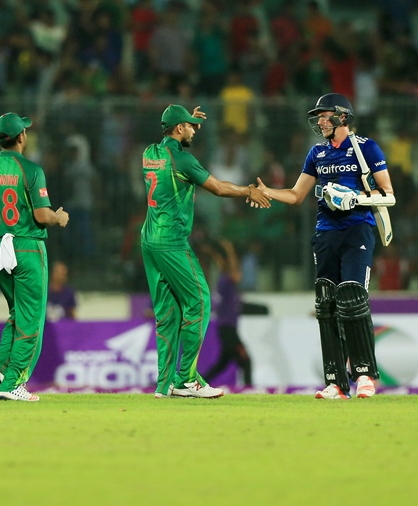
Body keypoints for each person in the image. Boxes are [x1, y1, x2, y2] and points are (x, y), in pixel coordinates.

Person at [256, 93, 395, 400]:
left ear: (343, 117)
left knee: (353, 297)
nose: (319, 121)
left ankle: (365, 376)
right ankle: (335, 381)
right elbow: (295, 195)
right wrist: (268, 192)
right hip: (326, 232)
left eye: (325, 115)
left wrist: (355, 199)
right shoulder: (317, 153)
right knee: (326, 302)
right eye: (318, 116)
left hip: (358, 229)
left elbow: (389, 195)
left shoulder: (366, 148)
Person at [142, 104, 270, 399]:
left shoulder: (150, 153)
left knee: (167, 313)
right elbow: (219, 188)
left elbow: (173, 140)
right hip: (171, 239)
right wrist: (248, 191)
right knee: (199, 300)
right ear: (178, 129)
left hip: (149, 239)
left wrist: (189, 122)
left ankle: (164, 386)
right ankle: (186, 379)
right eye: (188, 126)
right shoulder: (182, 160)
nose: (194, 130)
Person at [0, 112, 69, 402]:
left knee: (17, 313)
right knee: (32, 319)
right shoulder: (31, 170)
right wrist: (58, 218)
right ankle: (14, 383)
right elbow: (41, 214)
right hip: (27, 247)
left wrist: (0, 223)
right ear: (21, 137)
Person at [202, 239, 252, 387]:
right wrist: (230, 249)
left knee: (222, 364)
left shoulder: (222, 279)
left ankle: (201, 383)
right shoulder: (228, 280)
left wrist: (213, 253)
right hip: (228, 328)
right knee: (246, 361)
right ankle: (250, 389)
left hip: (225, 327)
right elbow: (233, 269)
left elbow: (223, 264)